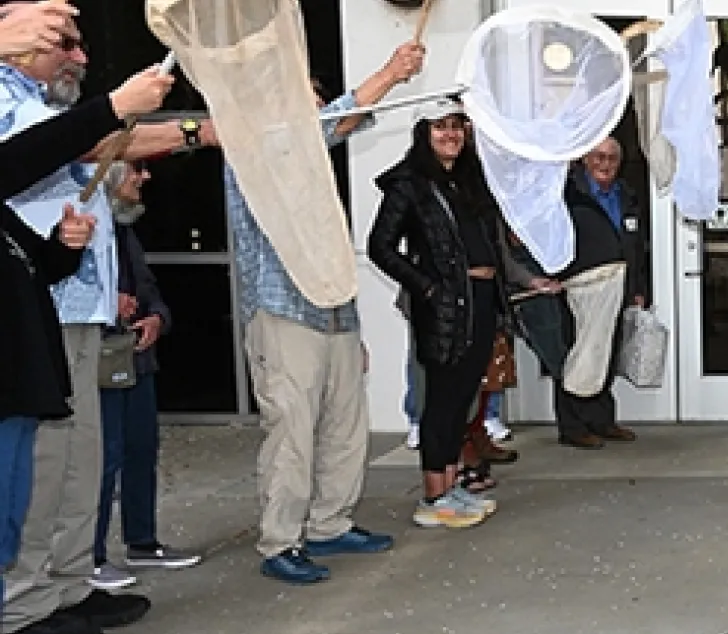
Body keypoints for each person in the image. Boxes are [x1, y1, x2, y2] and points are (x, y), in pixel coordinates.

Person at [1, 19, 202, 631]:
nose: (79, 56)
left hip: (73, 300)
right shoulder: (6, 94)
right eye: (64, 42)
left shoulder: (34, 100)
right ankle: (23, 599)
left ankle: (66, 584)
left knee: (79, 460)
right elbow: (76, 145)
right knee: (38, 466)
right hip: (37, 314)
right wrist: (194, 129)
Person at [233, 43, 422, 585]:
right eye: (308, 104)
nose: (317, 114)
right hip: (282, 310)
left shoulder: (313, 171)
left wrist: (350, 324)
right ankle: (280, 540)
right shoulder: (254, 146)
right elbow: (329, 124)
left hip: (332, 313)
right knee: (292, 432)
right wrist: (389, 73)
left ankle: (330, 523)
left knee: (345, 425)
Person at [369, 100, 523, 529]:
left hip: (482, 299)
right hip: (447, 307)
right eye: (441, 127)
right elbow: (380, 247)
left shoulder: (469, 180)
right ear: (424, 132)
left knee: (462, 401)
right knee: (441, 400)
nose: (451, 135)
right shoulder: (410, 184)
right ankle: (434, 496)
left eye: (457, 126)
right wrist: (429, 287)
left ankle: (450, 485)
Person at [90, 162, 202, 593]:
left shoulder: (125, 230)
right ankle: (91, 556)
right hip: (99, 361)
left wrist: (157, 317)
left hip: (136, 360)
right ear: (112, 175)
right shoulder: (82, 227)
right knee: (103, 459)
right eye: (137, 169)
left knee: (141, 450)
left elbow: (149, 286)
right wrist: (105, 301)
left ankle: (142, 541)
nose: (146, 178)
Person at [544, 136, 647, 449]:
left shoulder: (626, 194)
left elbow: (636, 245)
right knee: (577, 355)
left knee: (607, 352)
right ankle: (573, 427)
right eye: (598, 157)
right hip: (579, 286)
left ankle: (602, 420)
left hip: (618, 285)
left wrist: (638, 288)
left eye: (611, 158)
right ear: (586, 160)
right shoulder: (568, 193)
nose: (604, 164)